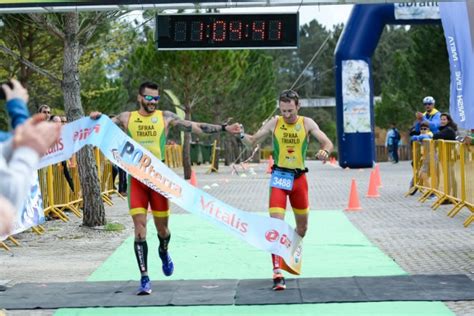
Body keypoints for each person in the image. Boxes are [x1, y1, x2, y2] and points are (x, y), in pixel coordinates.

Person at [90, 81, 241, 295]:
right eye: (149, 98)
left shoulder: (165, 117)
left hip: (159, 181)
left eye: (156, 99)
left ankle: (164, 250)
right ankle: (144, 277)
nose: (152, 102)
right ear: (139, 97)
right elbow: (103, 123)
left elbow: (195, 126)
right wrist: (96, 117)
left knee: (163, 230)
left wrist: (225, 129)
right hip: (137, 180)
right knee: (140, 230)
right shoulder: (127, 118)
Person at [240, 89, 333, 291]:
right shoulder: (275, 123)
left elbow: (327, 142)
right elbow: (252, 141)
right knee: (276, 225)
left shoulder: (307, 123)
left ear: (298, 107)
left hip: (299, 180)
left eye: (290, 110)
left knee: (302, 229)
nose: (287, 115)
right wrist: (239, 134)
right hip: (279, 179)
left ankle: (287, 254)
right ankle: (277, 272)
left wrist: (325, 151)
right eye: (283, 111)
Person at [0, 80, 62, 212]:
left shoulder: (50, 125)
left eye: (49, 112)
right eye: (44, 111)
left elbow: (13, 141)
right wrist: (17, 107)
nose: (47, 114)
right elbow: (11, 192)